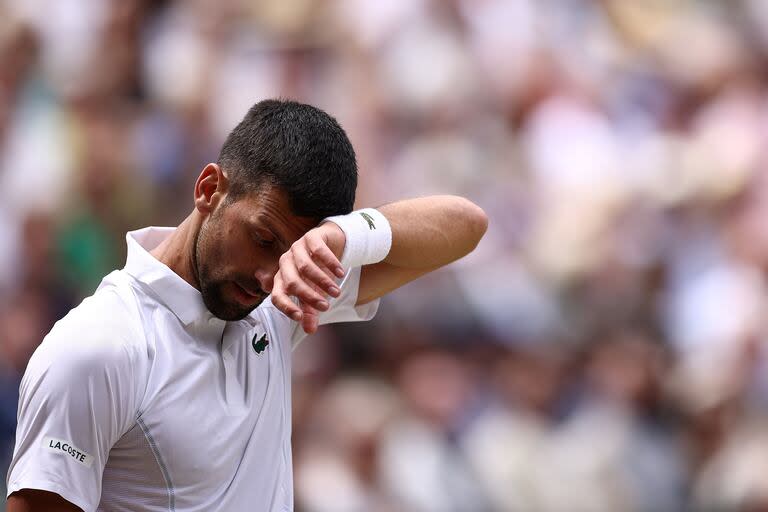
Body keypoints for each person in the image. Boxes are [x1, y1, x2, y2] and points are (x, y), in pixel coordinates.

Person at [5, 99, 488, 511]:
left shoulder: (284, 290)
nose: (268, 275)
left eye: (293, 252)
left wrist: (345, 236)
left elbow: (465, 225)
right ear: (209, 189)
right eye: (262, 238)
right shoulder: (97, 348)